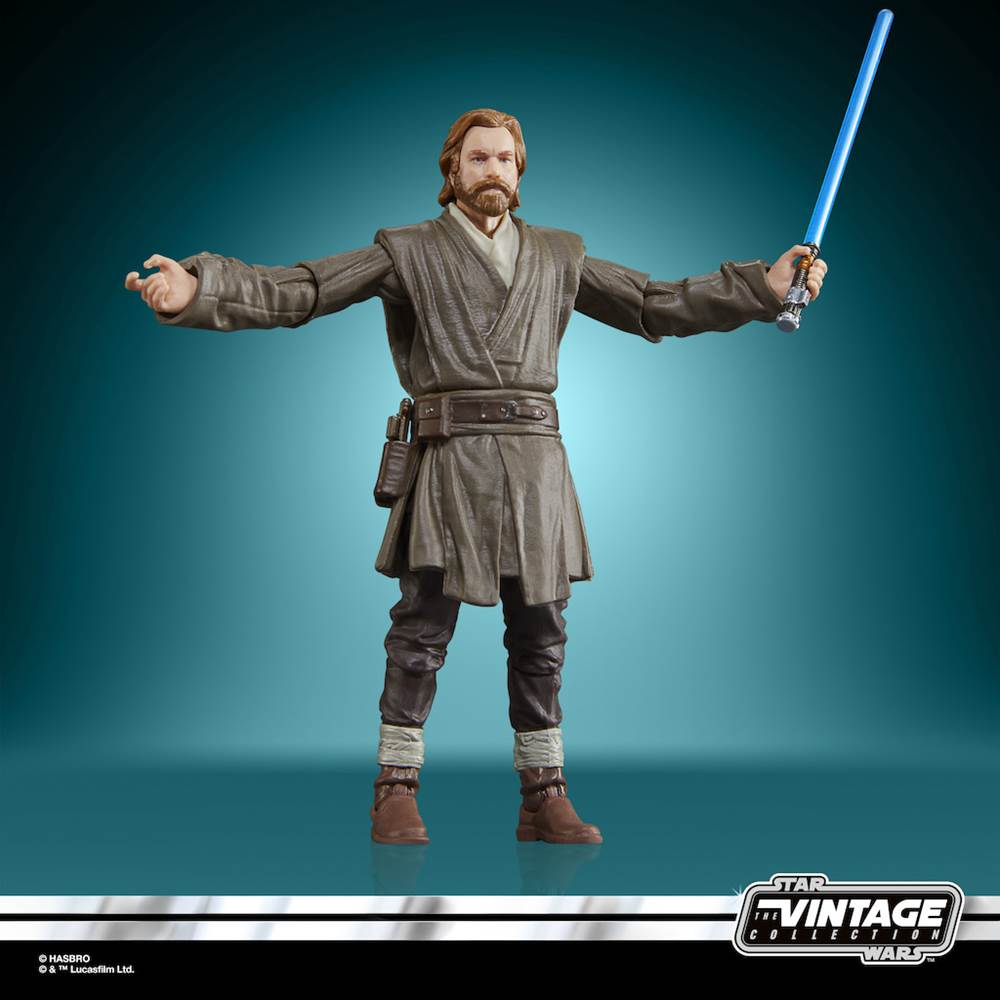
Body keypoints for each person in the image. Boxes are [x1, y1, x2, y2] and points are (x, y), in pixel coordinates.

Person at [124, 107, 828, 846]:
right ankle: (394, 788)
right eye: (479, 158)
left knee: (542, 633)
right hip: (448, 459)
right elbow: (304, 289)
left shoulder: (560, 253)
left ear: (520, 172)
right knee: (420, 629)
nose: (493, 170)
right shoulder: (407, 252)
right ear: (452, 170)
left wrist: (762, 285)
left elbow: (656, 303)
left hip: (536, 465)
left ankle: (544, 793)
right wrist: (200, 289)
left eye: (505, 159)